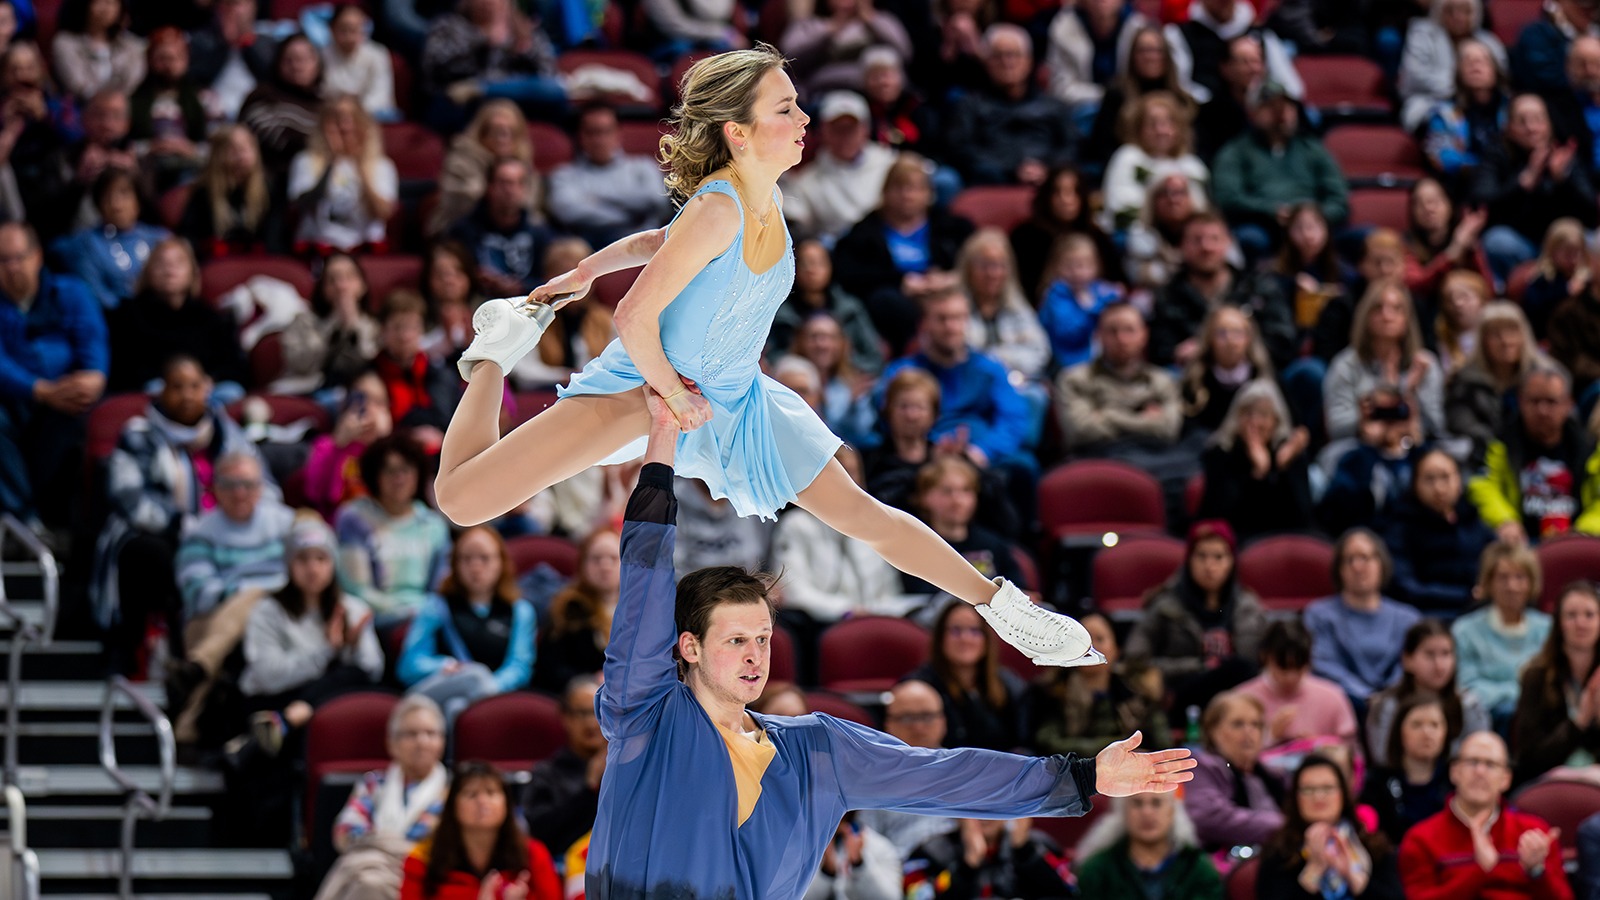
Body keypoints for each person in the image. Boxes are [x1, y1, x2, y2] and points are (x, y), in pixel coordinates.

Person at [440, 46, 1101, 669]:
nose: (804, 118)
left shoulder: (763, 195)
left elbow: (663, 240)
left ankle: (1001, 605)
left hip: (736, 397)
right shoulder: (718, 209)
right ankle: (492, 356)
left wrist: (588, 266)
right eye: (785, 108)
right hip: (647, 391)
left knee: (859, 512)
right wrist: (673, 397)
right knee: (463, 501)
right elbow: (634, 317)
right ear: (739, 132)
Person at [572, 380, 1195, 898]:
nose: (757, 654)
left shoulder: (817, 751)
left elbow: (945, 776)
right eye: (736, 640)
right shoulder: (646, 714)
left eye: (762, 637)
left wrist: (1083, 778)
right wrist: (661, 443)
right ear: (687, 647)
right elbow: (644, 587)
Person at [91, 357, 263, 672]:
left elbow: (261, 484)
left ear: (207, 388)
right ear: (161, 392)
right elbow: (129, 499)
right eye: (177, 387)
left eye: (195, 386)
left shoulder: (227, 433)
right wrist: (183, 524)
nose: (187, 395)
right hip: (158, 533)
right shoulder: (138, 434)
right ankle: (148, 648)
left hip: (224, 533)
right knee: (149, 554)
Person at [167, 452, 294, 740]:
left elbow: (306, 575)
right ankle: (193, 720)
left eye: (248, 485)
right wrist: (243, 594)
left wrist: (257, 593)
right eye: (230, 485)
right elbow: (197, 592)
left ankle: (196, 674)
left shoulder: (286, 524)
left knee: (256, 596)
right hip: (214, 616)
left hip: (282, 612)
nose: (240, 493)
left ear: (261, 488)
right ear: (215, 489)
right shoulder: (200, 532)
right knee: (245, 603)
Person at [239, 513, 384, 757]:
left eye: (321, 558)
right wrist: (328, 651)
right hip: (272, 700)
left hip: (328, 702)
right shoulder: (268, 611)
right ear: (289, 564)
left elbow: (371, 671)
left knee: (360, 680)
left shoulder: (351, 608)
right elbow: (268, 677)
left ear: (333, 564)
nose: (313, 568)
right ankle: (290, 717)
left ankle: (292, 716)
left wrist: (353, 646)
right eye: (303, 559)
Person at [0, 220, 105, 531]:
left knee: (78, 427)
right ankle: (25, 521)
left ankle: (66, 532)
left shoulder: (70, 291)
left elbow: (92, 340)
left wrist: (94, 376)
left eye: (18, 257)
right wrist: (39, 389)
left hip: (68, 396)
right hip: (15, 399)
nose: (12, 267)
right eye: (2, 260)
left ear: (37, 257)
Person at [1396, 731, 1571, 898]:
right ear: (1454, 772)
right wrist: (1479, 871)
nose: (1480, 771)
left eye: (1490, 764)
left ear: (1506, 779)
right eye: (1472, 762)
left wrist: (1536, 871)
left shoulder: (1534, 833)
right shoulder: (1420, 839)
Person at [833, 154, 975, 355]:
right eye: (899, 187)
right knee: (887, 301)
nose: (907, 195)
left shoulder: (951, 226)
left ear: (929, 193)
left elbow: (974, 255)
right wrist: (901, 282)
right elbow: (849, 273)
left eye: (916, 188)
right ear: (885, 192)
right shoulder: (866, 230)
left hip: (944, 292)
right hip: (897, 303)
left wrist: (952, 277)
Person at [315, 695, 449, 900]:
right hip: (368, 871)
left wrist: (379, 844)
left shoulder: (453, 791)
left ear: (442, 742)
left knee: (368, 882)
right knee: (369, 881)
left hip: (425, 878)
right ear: (392, 743)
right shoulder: (374, 783)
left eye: (430, 734)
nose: (422, 742)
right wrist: (400, 848)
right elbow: (345, 832)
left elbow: (444, 849)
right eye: (411, 734)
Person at [1124, 519, 1266, 712]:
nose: (1209, 566)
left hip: (1240, 697)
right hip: (1183, 694)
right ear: (1189, 560)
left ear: (1232, 562)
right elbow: (1136, 660)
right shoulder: (1165, 604)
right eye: (1201, 556)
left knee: (1240, 669)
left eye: (1218, 557)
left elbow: (1263, 665)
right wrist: (1197, 666)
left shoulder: (1248, 606)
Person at [397, 526, 535, 722]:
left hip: (494, 696)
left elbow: (519, 667)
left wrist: (489, 687)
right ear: (454, 564)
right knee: (472, 678)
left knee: (458, 706)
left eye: (485, 558)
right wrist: (443, 666)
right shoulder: (436, 606)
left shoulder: (519, 611)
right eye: (466, 559)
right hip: (445, 688)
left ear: (501, 563)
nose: (475, 567)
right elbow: (409, 665)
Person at [1211, 81, 1349, 260]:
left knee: (1361, 237)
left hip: (1316, 223)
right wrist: (1271, 211)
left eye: (1287, 106)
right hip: (1263, 224)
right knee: (1250, 239)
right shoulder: (1235, 152)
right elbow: (1228, 197)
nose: (1281, 113)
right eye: (1271, 107)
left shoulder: (1313, 149)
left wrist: (1314, 216)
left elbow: (1339, 198)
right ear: (1253, 112)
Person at [1472, 93, 1598, 286]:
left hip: (1566, 245)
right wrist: (1523, 182)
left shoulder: (1565, 155)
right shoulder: (1497, 155)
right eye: (1522, 121)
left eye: (1538, 120)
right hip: (1523, 245)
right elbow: (1482, 206)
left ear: (1549, 124)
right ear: (1509, 128)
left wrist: (1562, 181)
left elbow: (1591, 213)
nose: (1531, 128)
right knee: (1496, 241)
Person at [1467, 361, 1600, 544]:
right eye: (1535, 401)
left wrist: (1584, 532)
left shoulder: (1590, 447)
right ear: (1520, 401)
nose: (1542, 410)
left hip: (1575, 546)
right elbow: (1482, 486)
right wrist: (1505, 520)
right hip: (1517, 547)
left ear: (1568, 404)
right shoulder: (1498, 442)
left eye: (1551, 402)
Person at [1148, 212, 1296, 370]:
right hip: (1190, 376)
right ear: (1181, 246)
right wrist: (1178, 353)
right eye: (1196, 240)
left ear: (1229, 243)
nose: (1206, 247)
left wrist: (1232, 348)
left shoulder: (1258, 287)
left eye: (1215, 239)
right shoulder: (1167, 295)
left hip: (1253, 374)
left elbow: (1283, 341)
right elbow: (1160, 350)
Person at [399, 761, 562, 900]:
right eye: (471, 794)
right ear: (452, 807)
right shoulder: (421, 859)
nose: (482, 801)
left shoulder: (534, 854)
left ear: (507, 803)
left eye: (491, 793)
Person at [334, 434, 452, 623]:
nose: (399, 478)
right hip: (372, 619)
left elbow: (440, 586)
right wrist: (404, 612)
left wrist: (422, 612)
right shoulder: (354, 518)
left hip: (423, 618)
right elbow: (356, 588)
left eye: (406, 469)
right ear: (374, 475)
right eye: (389, 470)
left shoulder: (433, 524)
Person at [1303, 530, 1424, 711]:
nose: (1358, 567)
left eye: (1365, 558)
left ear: (1381, 564)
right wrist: (1365, 696)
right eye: (1349, 559)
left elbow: (1411, 665)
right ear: (1339, 569)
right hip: (1340, 705)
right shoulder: (1318, 615)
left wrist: (1388, 697)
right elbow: (1323, 664)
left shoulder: (1408, 618)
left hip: (1398, 707)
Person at [106, 237, 245, 394]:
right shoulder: (127, 314)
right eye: (161, 263)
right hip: (157, 392)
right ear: (148, 271)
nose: (169, 269)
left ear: (192, 272)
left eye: (179, 262)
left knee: (231, 392)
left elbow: (233, 365)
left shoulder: (210, 316)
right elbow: (123, 369)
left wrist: (209, 380)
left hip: (206, 391)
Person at [942, 25, 1075, 187]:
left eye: (1014, 55)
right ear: (986, 62)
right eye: (998, 56)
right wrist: (1012, 169)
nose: (1007, 62)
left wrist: (1046, 168)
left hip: (1047, 183)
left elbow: (1071, 146)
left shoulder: (1053, 106)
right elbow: (960, 149)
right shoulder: (970, 105)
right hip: (991, 182)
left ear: (1029, 62)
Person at [1257, 754, 1405, 899]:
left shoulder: (1374, 847)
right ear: (1296, 797)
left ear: (1343, 794)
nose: (1318, 797)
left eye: (1327, 788)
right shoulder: (1278, 852)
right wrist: (1314, 870)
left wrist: (1354, 878)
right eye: (1308, 789)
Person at [1033, 612, 1170, 757]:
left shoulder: (1137, 691)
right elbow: (1047, 744)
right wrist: (1118, 749)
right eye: (1083, 639)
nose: (1091, 647)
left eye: (1099, 639)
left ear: (1116, 649)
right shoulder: (1054, 691)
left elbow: (1162, 744)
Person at [1323, 280, 1445, 443]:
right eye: (1378, 308)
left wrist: (1411, 393)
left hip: (1412, 445)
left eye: (1396, 309)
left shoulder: (1424, 364)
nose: (1387, 316)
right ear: (1365, 316)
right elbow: (1336, 428)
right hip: (1360, 446)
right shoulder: (1346, 365)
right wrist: (1363, 418)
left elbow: (1437, 425)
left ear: (1407, 319)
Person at [418, 0, 566, 133]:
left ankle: (481, 89)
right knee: (455, 96)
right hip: (465, 107)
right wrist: (482, 42)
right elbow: (435, 70)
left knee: (554, 91)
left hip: (516, 103)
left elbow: (548, 74)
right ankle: (480, 90)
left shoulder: (525, 30)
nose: (488, 2)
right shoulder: (447, 26)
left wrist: (524, 52)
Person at [1055, 301, 1183, 454]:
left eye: (1129, 330)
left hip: (1154, 458)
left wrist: (1107, 415)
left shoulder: (1163, 380)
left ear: (1144, 335)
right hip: (1098, 458)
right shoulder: (1074, 379)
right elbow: (1081, 431)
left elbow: (1168, 430)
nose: (1121, 339)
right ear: (1099, 335)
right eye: (1112, 331)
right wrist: (1145, 420)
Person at [1196, 380, 1315, 542]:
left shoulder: (1290, 455)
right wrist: (1258, 474)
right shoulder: (1220, 453)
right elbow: (1220, 517)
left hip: (1284, 543)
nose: (1255, 422)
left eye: (1263, 415)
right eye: (1248, 413)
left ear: (1276, 421)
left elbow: (1302, 519)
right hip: (1237, 543)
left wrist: (1283, 466)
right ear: (1236, 418)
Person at [906, 596, 1030, 751]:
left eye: (974, 630)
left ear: (986, 640)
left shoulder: (1008, 683)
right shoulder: (919, 687)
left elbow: (1025, 744)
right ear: (940, 638)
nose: (965, 639)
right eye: (956, 630)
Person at [1380, 448, 1497, 612]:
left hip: (1478, 611)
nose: (1439, 488)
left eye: (1445, 477)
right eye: (1429, 479)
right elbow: (1404, 587)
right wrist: (1466, 595)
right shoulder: (1400, 527)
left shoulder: (1473, 520)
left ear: (1459, 481)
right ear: (1415, 484)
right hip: (1425, 614)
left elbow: (1498, 563)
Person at [1453, 541, 1551, 733]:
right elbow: (1467, 686)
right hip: (1484, 720)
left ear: (1531, 582)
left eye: (1520, 577)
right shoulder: (1465, 630)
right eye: (1503, 578)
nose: (1511, 586)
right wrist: (1520, 693)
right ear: (1488, 582)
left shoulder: (1548, 628)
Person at [776, 91, 896, 245]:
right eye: (837, 128)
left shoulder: (890, 164)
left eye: (851, 128)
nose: (845, 136)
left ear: (865, 129)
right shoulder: (807, 181)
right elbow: (795, 221)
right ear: (822, 131)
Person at [1365, 620, 1491, 767]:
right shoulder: (1387, 705)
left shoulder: (1469, 704)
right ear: (1407, 660)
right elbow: (1382, 756)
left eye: (1446, 654)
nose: (1439, 665)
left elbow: (1480, 754)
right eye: (1430, 655)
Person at [546, 104, 673, 248]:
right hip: (588, 246)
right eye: (592, 132)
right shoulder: (564, 175)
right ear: (580, 136)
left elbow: (657, 201)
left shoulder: (643, 167)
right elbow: (568, 212)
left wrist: (594, 198)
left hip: (641, 242)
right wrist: (633, 215)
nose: (600, 140)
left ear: (618, 134)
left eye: (606, 131)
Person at [854, 680, 956, 857]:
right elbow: (868, 850)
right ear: (888, 725)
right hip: (900, 873)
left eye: (926, 716)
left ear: (943, 721)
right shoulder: (873, 782)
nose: (918, 727)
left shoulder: (965, 770)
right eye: (907, 718)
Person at [1512, 581, 1600, 785]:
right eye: (1571, 615)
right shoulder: (1536, 677)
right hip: (1547, 782)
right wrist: (1580, 722)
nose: (1581, 623)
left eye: (1589, 615)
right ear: (1559, 623)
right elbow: (1528, 758)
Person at [287, 94, 398, 256]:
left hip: (365, 250)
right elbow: (302, 207)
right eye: (337, 119)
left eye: (352, 119)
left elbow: (384, 212)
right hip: (317, 250)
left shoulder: (382, 166)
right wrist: (332, 162)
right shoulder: (305, 161)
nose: (345, 127)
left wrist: (361, 167)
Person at [1186, 691, 1286, 856]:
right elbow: (1210, 818)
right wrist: (1285, 826)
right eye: (1238, 724)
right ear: (1213, 731)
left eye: (1256, 725)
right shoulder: (1200, 767)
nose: (1249, 732)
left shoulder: (1274, 774)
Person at [1237, 620, 1361, 752]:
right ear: (1265, 657)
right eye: (1283, 667)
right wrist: (1268, 737)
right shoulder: (1242, 699)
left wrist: (1318, 746)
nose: (1291, 677)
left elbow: (1354, 755)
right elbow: (1231, 757)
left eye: (1299, 667)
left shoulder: (1333, 696)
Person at [1447, 301, 1548, 462]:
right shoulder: (1465, 381)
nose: (1505, 341)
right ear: (1482, 340)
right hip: (1484, 459)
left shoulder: (1546, 377)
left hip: (1539, 456)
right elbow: (1461, 424)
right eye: (1496, 334)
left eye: (1512, 331)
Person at [519, 676, 607, 861]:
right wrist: (589, 789)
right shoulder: (546, 774)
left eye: (598, 711)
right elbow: (542, 836)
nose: (591, 722)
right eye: (583, 713)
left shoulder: (631, 768)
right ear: (565, 717)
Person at [1072, 793, 1223, 899]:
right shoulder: (1098, 869)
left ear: (1172, 812)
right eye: (1137, 803)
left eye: (1156, 803)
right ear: (1123, 813)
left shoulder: (1198, 867)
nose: (1147, 812)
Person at [767, 238, 883, 375]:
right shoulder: (779, 313)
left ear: (831, 266)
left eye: (818, 263)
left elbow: (874, 356)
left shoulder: (851, 309)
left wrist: (849, 370)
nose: (811, 270)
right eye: (804, 264)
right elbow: (770, 357)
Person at [428, 100, 541, 238]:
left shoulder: (524, 165)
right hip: (460, 234)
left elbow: (529, 209)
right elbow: (466, 202)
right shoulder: (461, 161)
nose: (504, 138)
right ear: (482, 133)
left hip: (513, 235)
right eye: (498, 131)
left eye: (510, 132)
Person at [1099, 91, 1210, 232]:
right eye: (1152, 124)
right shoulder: (1128, 157)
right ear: (1139, 128)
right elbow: (1121, 206)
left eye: (1168, 123)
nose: (1161, 130)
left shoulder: (1192, 165)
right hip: (1136, 234)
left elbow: (1202, 211)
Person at [448, 157, 556, 298]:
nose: (511, 190)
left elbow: (550, 279)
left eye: (519, 183)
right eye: (505, 183)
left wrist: (522, 286)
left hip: (527, 306)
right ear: (490, 186)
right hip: (477, 305)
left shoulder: (539, 232)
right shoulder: (463, 231)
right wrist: (475, 276)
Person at [1010, 165, 1122, 300]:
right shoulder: (1025, 237)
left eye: (1073, 192)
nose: (1066, 200)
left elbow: (1117, 282)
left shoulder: (1097, 236)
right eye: (1058, 192)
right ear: (1047, 196)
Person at [532, 527, 620, 693]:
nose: (605, 566)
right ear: (582, 564)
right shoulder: (566, 608)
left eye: (613, 559)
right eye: (596, 559)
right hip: (579, 699)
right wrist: (589, 681)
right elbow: (550, 669)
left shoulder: (642, 610)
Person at [1397, 0, 1507, 132]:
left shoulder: (1489, 41)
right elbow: (1414, 76)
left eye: (1464, 10)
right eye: (1450, 10)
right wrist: (1461, 85)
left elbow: (1501, 77)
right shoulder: (1422, 33)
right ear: (1439, 11)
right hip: (1432, 102)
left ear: (1476, 14)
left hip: (1483, 103)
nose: (1457, 16)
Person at [1358, 692, 1452, 846]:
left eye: (1435, 725)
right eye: (1417, 725)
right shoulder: (1376, 782)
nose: (1427, 733)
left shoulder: (1455, 780)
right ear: (1399, 731)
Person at [179, 124, 285, 260]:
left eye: (248, 147)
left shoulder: (271, 190)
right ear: (218, 154)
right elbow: (190, 239)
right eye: (234, 149)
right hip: (215, 264)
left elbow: (275, 242)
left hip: (260, 264)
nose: (242, 154)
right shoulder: (202, 192)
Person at [902, 817, 1075, 899]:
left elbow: (1069, 891)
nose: (985, 813)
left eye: (995, 803)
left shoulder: (1039, 844)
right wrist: (967, 867)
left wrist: (1025, 852)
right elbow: (917, 897)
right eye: (975, 804)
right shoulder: (930, 851)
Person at [779, 0, 913, 96]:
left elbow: (905, 53)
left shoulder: (882, 20)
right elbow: (789, 57)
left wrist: (871, 20)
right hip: (823, 94)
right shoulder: (812, 25)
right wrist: (830, 31)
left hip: (878, 97)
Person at [1179, 306, 1275, 437]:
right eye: (1221, 333)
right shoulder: (1197, 377)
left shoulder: (1262, 377)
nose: (1230, 341)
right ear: (1210, 339)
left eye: (1237, 333)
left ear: (1248, 338)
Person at [237, 33, 324, 177]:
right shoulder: (262, 96)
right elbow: (272, 135)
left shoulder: (326, 104)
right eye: (289, 60)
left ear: (317, 63)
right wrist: (321, 144)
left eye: (303, 59)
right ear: (278, 62)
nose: (297, 66)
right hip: (272, 178)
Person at [1403, 179, 1492, 312]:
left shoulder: (1464, 240)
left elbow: (1487, 291)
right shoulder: (1406, 243)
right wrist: (1452, 254)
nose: (1428, 208)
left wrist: (1470, 250)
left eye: (1434, 201)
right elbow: (1417, 285)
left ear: (1449, 204)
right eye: (1420, 204)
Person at [1036, 233, 1121, 371]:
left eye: (1083, 265)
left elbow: (1115, 298)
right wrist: (1093, 311)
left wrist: (1119, 297)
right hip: (1065, 364)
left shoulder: (1096, 289)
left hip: (1098, 362)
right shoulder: (1055, 296)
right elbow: (1069, 333)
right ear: (1056, 267)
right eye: (1069, 266)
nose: (1077, 272)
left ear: (1096, 266)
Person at [50, 0, 144, 100]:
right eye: (99, 1)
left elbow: (131, 82)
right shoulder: (65, 43)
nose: (106, 8)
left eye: (111, 3)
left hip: (121, 107)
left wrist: (115, 100)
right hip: (81, 108)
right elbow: (77, 84)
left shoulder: (133, 46)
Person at [321, 4, 398, 122]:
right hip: (333, 115)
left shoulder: (378, 53)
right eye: (343, 30)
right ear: (332, 29)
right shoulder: (322, 55)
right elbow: (323, 90)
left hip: (372, 116)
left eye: (354, 30)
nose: (349, 37)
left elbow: (381, 95)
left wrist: (355, 112)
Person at [801, 812, 902, 900]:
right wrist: (827, 870)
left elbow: (892, 898)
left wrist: (859, 863)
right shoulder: (809, 845)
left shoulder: (881, 847)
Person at [1524, 219, 1589, 342]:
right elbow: (1534, 312)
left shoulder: (1589, 279)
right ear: (1552, 251)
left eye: (1577, 252)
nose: (1573, 259)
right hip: (1550, 340)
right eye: (1567, 253)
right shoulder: (1542, 279)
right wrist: (1565, 290)